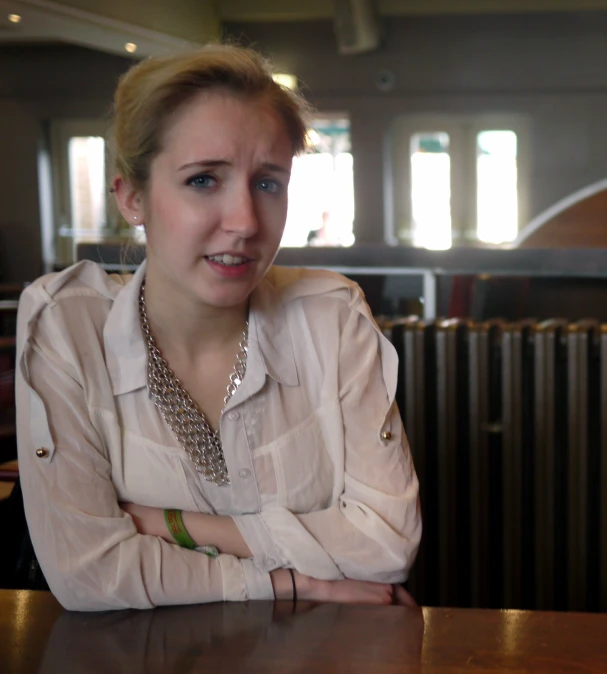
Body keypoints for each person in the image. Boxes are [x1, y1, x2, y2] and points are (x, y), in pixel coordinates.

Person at [15, 45, 421, 611]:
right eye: (204, 180)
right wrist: (292, 583)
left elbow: (386, 545)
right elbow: (89, 573)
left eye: (268, 183)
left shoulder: (331, 318)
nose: (246, 222)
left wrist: (169, 525)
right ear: (132, 197)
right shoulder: (66, 326)